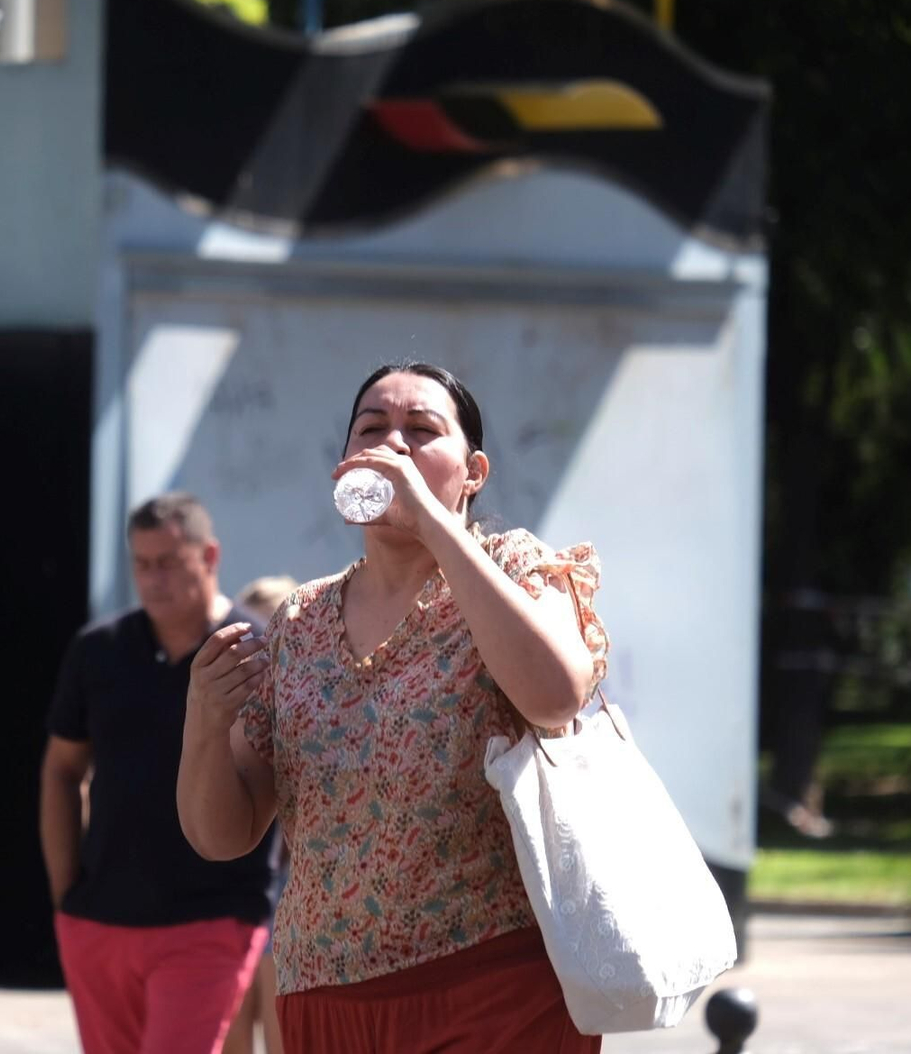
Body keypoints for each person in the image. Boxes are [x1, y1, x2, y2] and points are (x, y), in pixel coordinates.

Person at [177, 363, 611, 1053]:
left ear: (473, 472)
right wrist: (204, 721)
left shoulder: (517, 567)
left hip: (492, 985)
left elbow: (556, 695)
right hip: (326, 993)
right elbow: (221, 836)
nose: (395, 445)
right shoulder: (299, 620)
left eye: (422, 430)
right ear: (345, 465)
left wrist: (432, 523)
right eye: (373, 428)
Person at [40, 493, 279, 1054]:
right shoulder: (98, 650)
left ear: (209, 556)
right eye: (141, 564)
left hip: (213, 917)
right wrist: (66, 897)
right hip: (100, 919)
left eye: (168, 562)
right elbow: (61, 769)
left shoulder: (254, 649)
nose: (153, 580)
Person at [221, 576, 299, 1054]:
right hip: (231, 894)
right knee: (228, 1032)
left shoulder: (308, 702)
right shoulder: (226, 709)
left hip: (289, 893)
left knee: (281, 1031)